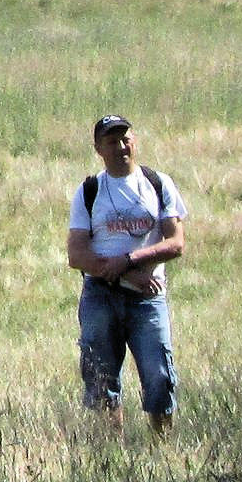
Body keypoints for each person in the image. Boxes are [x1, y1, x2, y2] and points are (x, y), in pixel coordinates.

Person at [66, 115, 188, 436]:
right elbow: (77, 255)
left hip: (148, 298)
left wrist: (129, 261)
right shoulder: (89, 191)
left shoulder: (158, 183)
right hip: (100, 296)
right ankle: (112, 451)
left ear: (135, 141)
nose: (121, 147)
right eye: (112, 142)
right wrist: (126, 275)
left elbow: (176, 243)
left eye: (126, 139)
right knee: (101, 380)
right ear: (98, 149)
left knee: (159, 376)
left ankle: (162, 450)